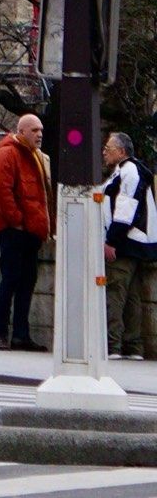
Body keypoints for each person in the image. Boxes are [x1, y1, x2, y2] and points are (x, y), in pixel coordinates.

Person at [0, 111, 51, 351]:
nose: (39, 134)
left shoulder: (34, 156)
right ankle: (0, 333)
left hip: (30, 230)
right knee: (12, 279)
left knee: (26, 281)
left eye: (41, 130)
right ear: (21, 131)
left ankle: (21, 335)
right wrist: (17, 220)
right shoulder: (8, 153)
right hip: (15, 230)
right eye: (35, 130)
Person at [102, 130, 157, 360]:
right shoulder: (132, 170)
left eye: (109, 148)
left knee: (116, 292)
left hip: (125, 242)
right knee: (132, 295)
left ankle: (113, 345)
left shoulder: (128, 171)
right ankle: (133, 346)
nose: (105, 151)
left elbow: (125, 208)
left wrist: (111, 240)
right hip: (137, 242)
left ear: (122, 152)